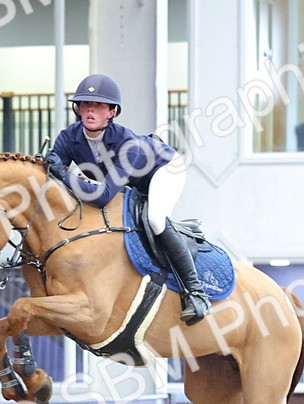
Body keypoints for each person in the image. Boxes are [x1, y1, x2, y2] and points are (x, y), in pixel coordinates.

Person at [43, 74, 210, 326]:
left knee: (154, 219)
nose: (90, 110)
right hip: (129, 181)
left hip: (164, 169)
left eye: (98, 106)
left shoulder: (127, 143)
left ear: (112, 112)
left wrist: (65, 174)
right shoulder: (69, 137)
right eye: (85, 104)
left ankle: (196, 293)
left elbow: (102, 197)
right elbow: (54, 184)